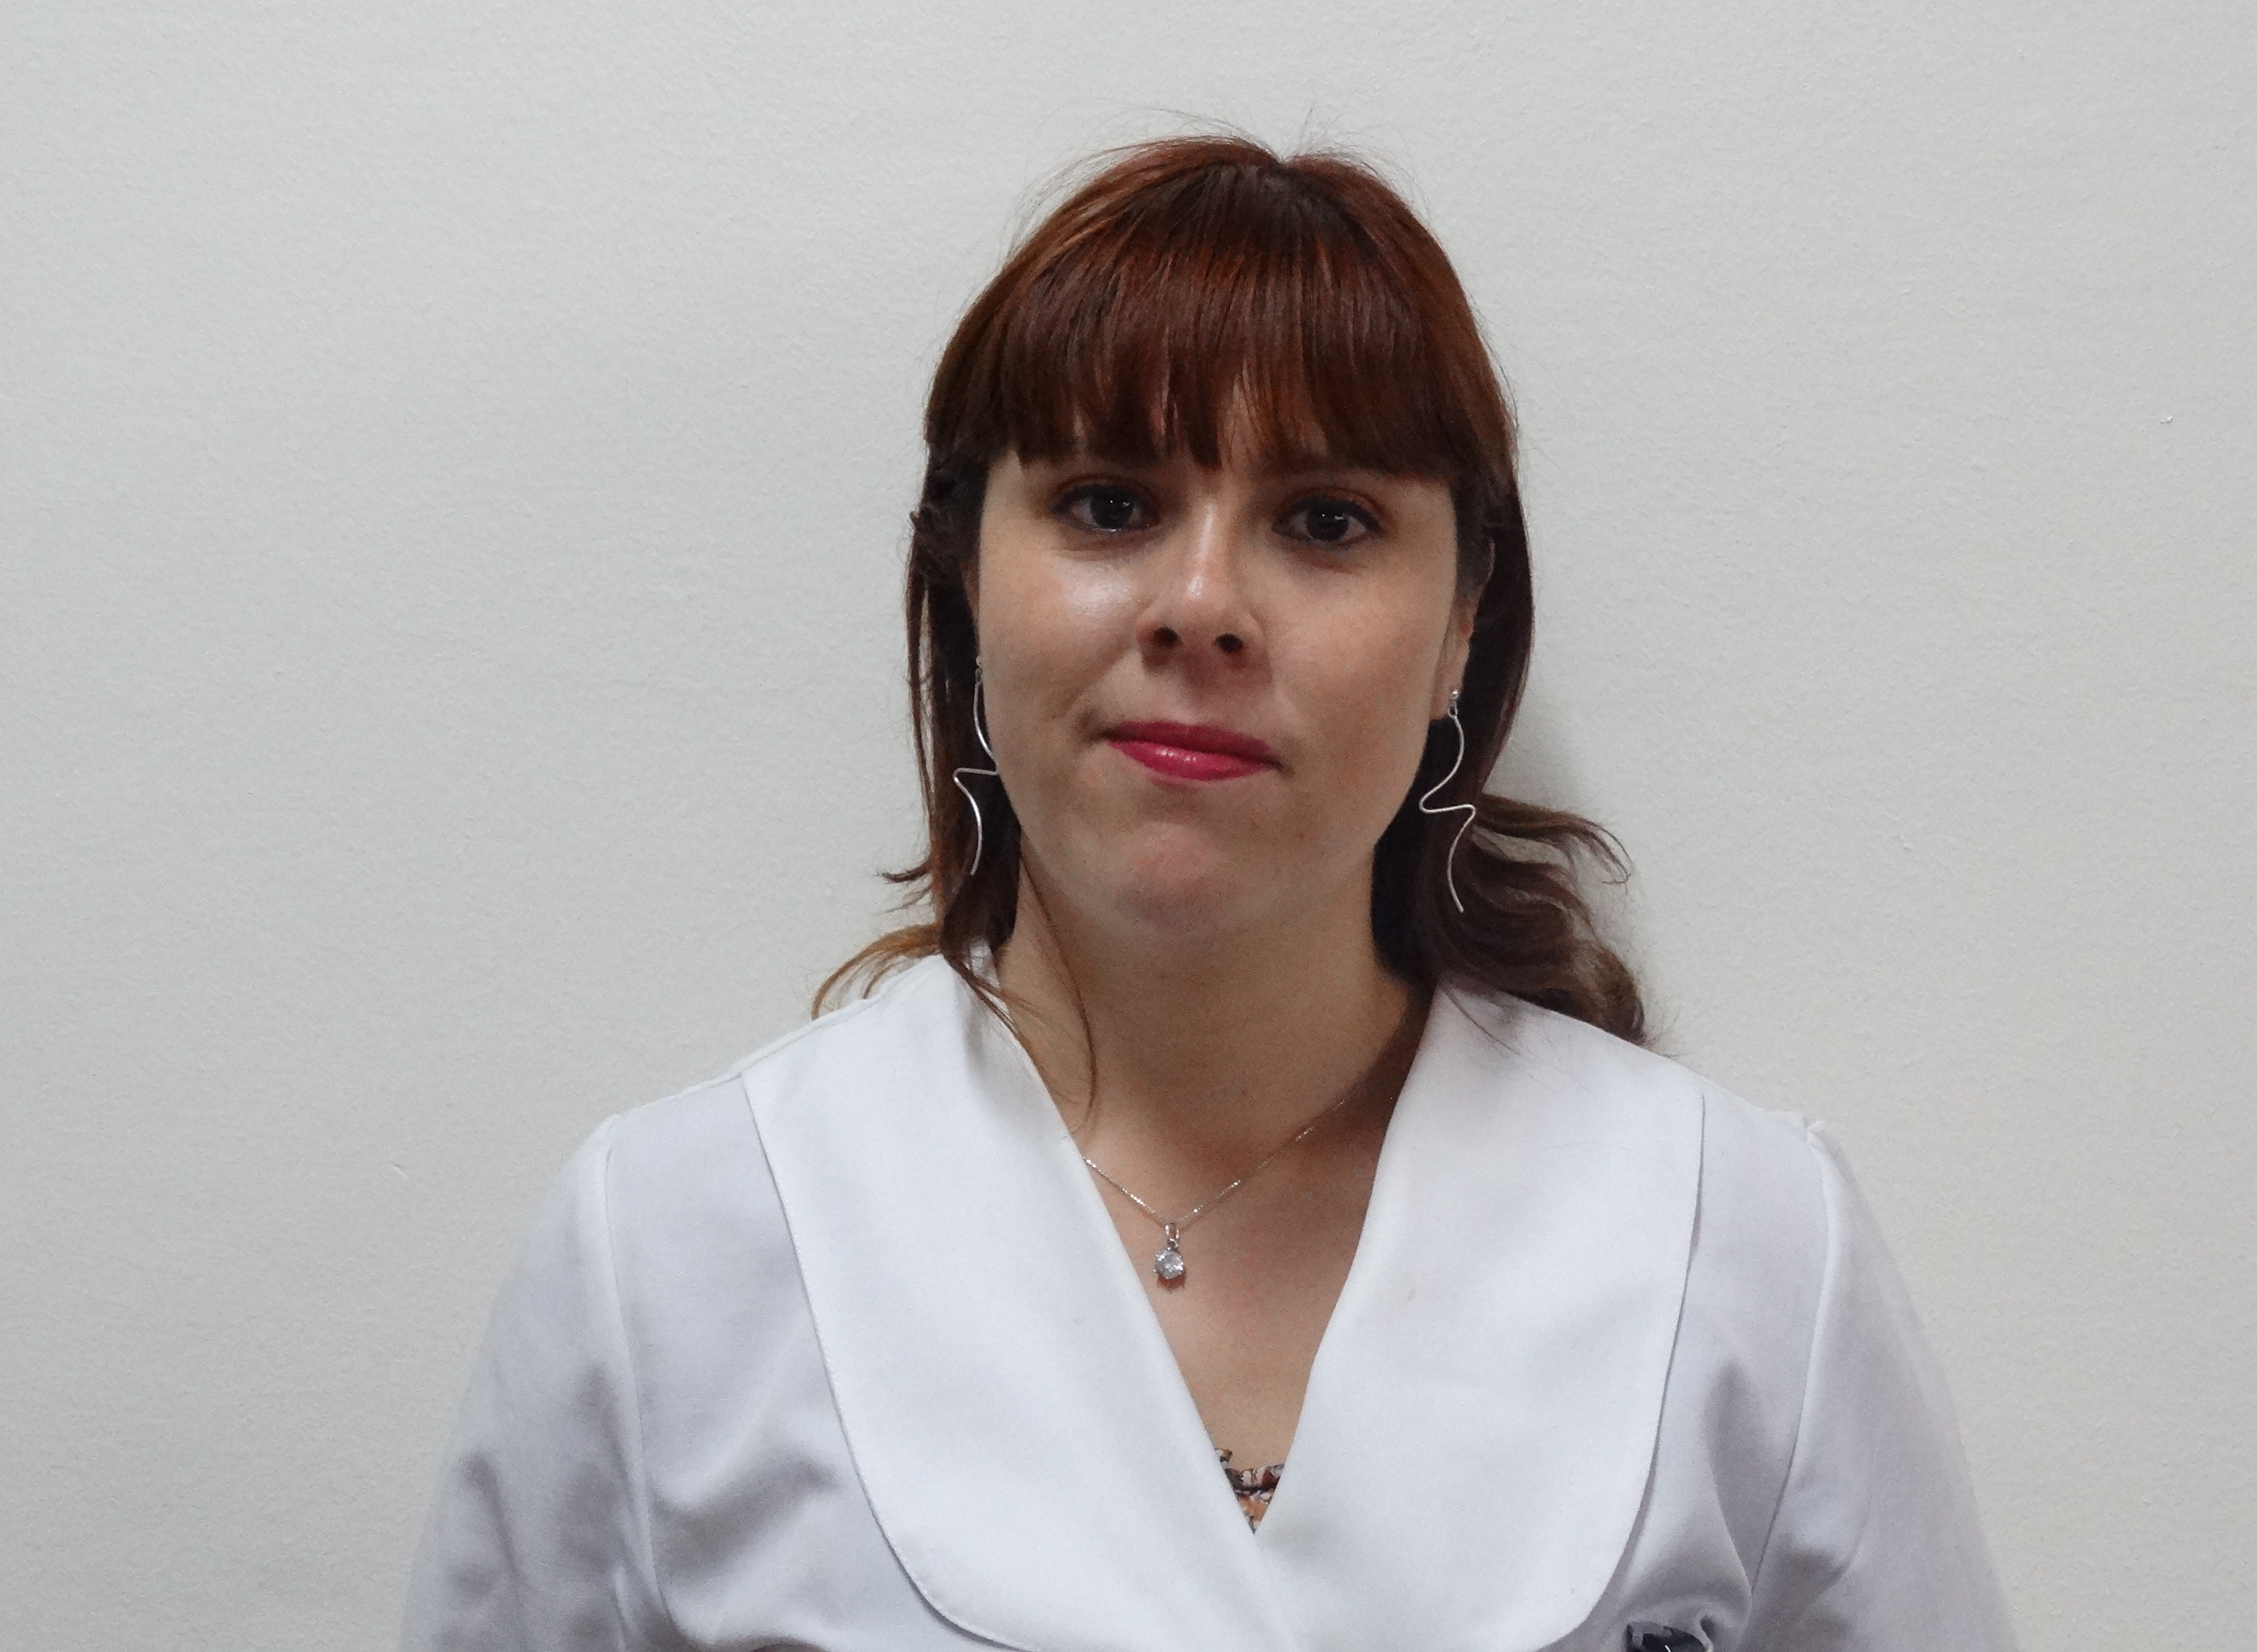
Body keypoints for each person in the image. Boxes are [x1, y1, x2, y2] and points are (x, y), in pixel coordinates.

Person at [400, 135, 2016, 1651]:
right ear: (966, 583)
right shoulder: (671, 1250)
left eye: (1327, 522)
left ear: (1461, 627)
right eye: (1110, 504)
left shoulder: (1746, 1245)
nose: (1202, 605)